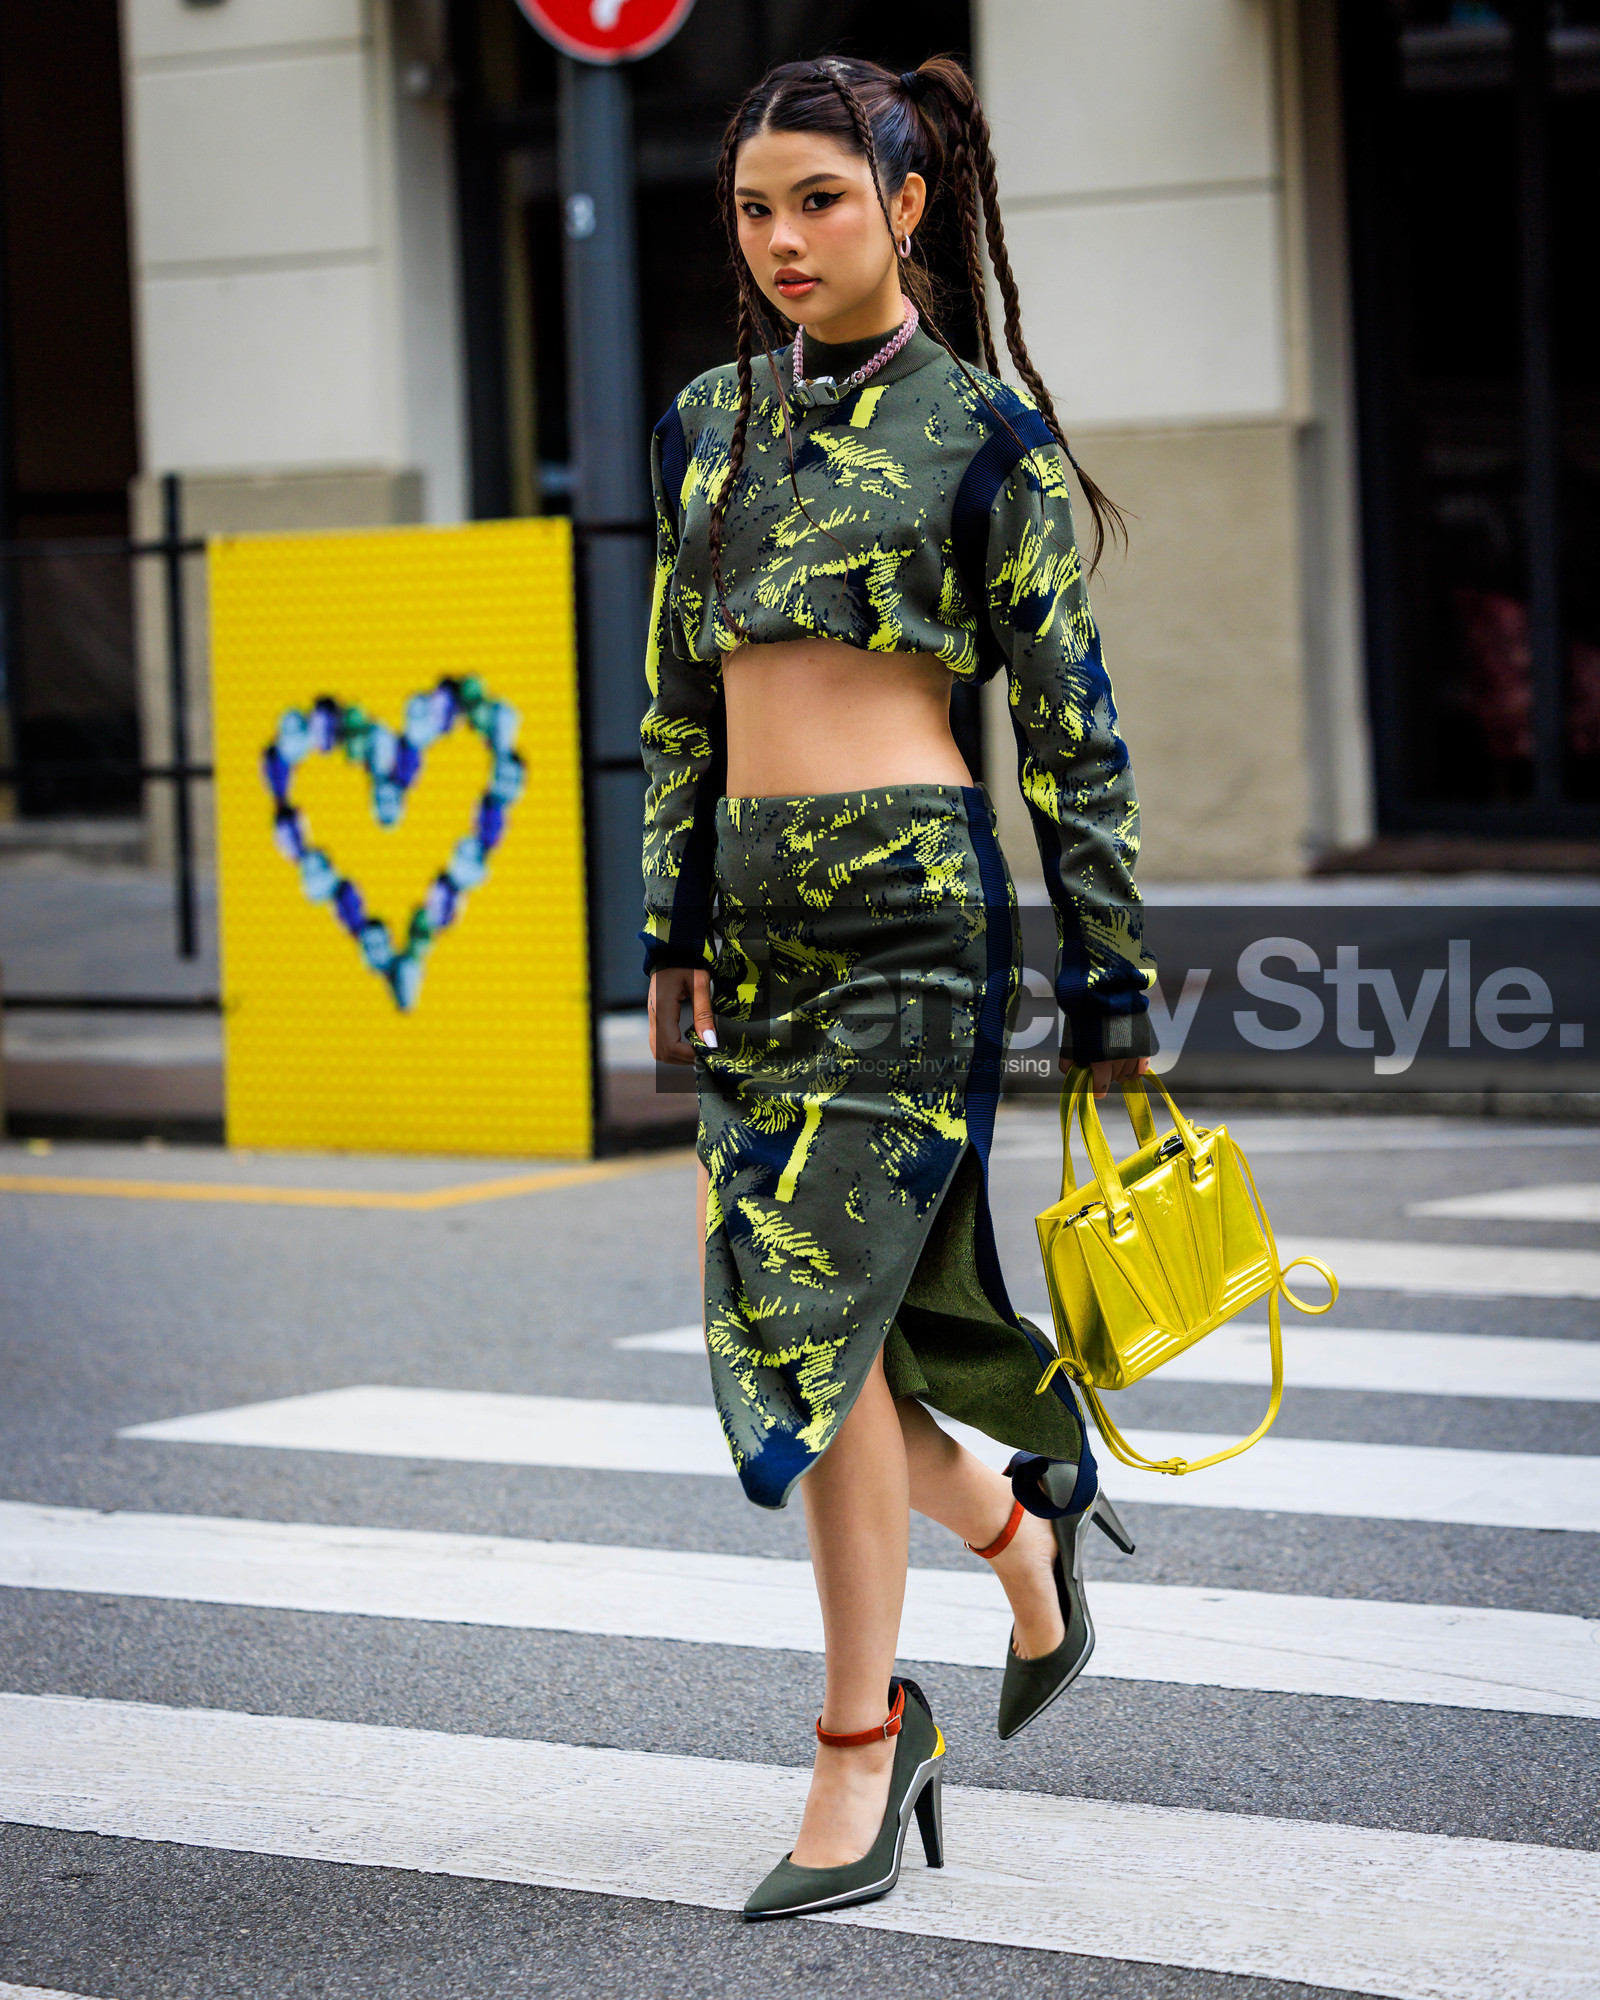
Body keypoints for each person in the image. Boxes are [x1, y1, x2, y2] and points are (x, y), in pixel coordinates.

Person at [641, 53, 1155, 1921]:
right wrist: (670, 929)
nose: (783, 241)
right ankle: (1022, 1535)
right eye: (757, 210)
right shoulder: (705, 419)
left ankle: (862, 1745)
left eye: (823, 203)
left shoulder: (985, 438)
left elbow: (1071, 736)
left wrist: (1112, 975)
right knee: (801, 1324)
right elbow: (676, 704)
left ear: (908, 203)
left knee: (809, 1327)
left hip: (913, 931)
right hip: (762, 935)